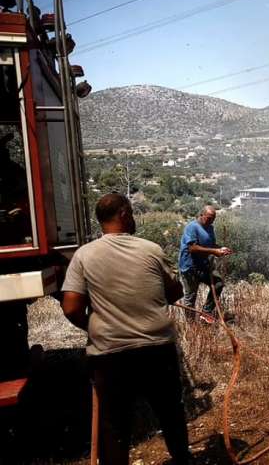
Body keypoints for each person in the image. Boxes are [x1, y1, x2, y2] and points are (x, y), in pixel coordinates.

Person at [61, 193, 190, 465]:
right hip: (157, 348)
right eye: (130, 212)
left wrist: (94, 327)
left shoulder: (84, 255)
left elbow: (71, 308)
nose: (132, 218)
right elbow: (174, 291)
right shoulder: (151, 249)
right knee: (170, 413)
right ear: (123, 214)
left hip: (110, 353)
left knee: (115, 424)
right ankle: (182, 459)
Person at [178, 205, 232, 322]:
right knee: (191, 297)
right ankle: (190, 324)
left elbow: (211, 245)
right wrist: (214, 251)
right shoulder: (192, 227)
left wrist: (221, 249)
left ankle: (206, 313)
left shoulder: (210, 228)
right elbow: (192, 248)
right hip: (190, 267)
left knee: (218, 283)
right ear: (201, 215)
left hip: (203, 266)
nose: (211, 221)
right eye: (209, 218)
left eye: (213, 219)